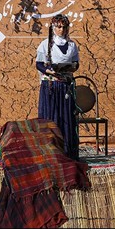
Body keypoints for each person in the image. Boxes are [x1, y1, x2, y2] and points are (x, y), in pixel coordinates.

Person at [36, 14, 80, 160]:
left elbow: (76, 63)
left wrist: (69, 69)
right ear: (53, 27)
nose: (61, 29)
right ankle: (50, 152)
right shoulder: (45, 44)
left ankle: (67, 152)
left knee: (66, 117)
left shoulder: (72, 45)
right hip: (51, 87)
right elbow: (39, 64)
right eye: (58, 26)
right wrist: (50, 71)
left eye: (64, 26)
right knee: (52, 117)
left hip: (65, 87)